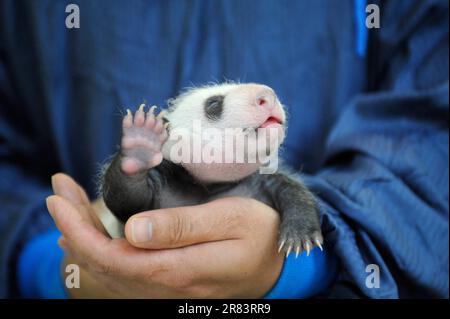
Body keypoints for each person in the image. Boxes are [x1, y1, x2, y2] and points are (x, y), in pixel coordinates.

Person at [0, 0, 448, 298]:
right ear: (171, 138)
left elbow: (433, 132)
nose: (266, 98)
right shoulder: (162, 172)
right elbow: (123, 204)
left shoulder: (267, 181)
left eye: (267, 101)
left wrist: (308, 265)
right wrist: (50, 267)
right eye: (215, 107)